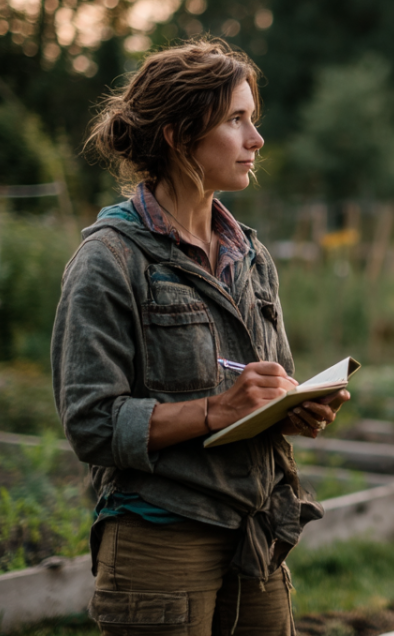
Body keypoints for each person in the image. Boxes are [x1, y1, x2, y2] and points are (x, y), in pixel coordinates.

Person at [52, 38, 350, 636]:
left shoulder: (251, 255)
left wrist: (294, 407)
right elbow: (91, 422)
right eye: (236, 121)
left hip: (256, 532)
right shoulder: (111, 260)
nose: (255, 139)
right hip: (160, 538)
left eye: (253, 121)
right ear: (178, 134)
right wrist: (219, 410)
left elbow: (266, 385)